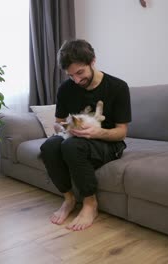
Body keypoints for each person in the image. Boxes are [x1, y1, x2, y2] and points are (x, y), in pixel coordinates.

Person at [40, 39, 131, 231]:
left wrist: (98, 132)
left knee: (70, 146)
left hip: (108, 143)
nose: (76, 80)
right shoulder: (66, 88)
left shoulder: (118, 87)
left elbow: (121, 132)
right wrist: (65, 128)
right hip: (75, 138)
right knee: (49, 146)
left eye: (80, 72)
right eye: (71, 75)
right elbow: (58, 122)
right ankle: (69, 199)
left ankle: (90, 204)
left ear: (93, 61)